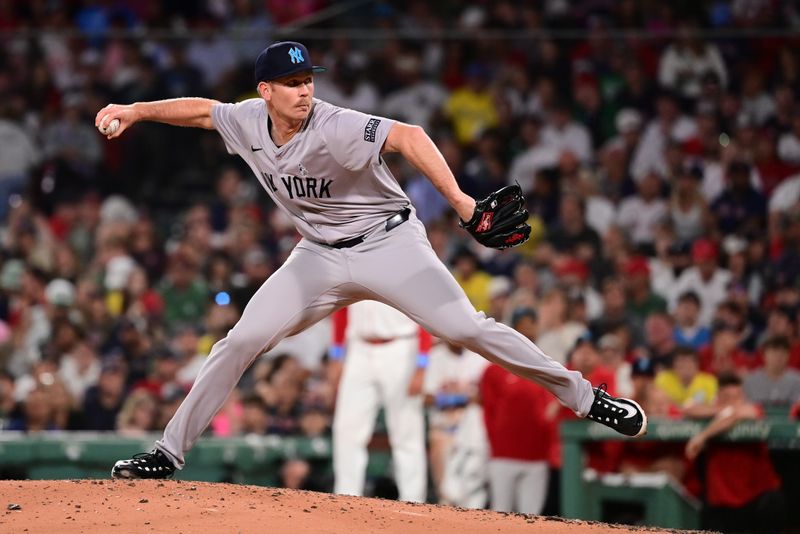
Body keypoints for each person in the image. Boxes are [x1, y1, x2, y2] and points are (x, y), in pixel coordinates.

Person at [100, 41, 646, 480]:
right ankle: (167, 454)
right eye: (291, 83)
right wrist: (135, 111)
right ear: (265, 91)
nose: (304, 90)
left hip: (389, 243)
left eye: (308, 79)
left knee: (468, 327)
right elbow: (202, 112)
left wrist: (461, 204)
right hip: (317, 255)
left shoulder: (333, 124)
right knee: (240, 340)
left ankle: (586, 397)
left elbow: (409, 136)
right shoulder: (247, 121)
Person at [329, 300, 431, 502]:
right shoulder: (352, 267)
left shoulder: (407, 268)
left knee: (406, 431)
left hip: (401, 347)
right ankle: (346, 497)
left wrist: (422, 363)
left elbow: (424, 312)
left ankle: (414, 501)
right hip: (359, 348)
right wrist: (336, 355)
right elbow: (342, 307)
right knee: (346, 428)